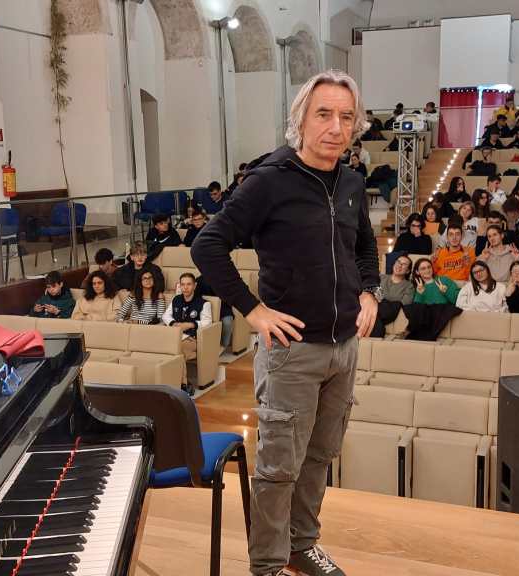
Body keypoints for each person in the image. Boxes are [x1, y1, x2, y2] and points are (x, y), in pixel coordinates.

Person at [190, 70, 379, 576]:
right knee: (278, 468)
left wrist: (370, 291)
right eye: (324, 114)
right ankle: (268, 565)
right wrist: (253, 311)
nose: (336, 127)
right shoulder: (269, 180)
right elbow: (207, 246)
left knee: (319, 456)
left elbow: (364, 245)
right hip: (291, 352)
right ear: (301, 119)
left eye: (346, 117)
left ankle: (301, 544)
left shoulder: (352, 182)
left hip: (343, 348)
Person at [162, 272, 212, 361]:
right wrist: (173, 323)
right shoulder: (176, 299)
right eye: (183, 284)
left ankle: (180, 368)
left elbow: (207, 322)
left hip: (191, 338)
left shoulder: (204, 303)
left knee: (177, 349)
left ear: (194, 286)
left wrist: (190, 325)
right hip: (175, 335)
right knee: (161, 346)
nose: (185, 287)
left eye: (189, 284)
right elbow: (166, 315)